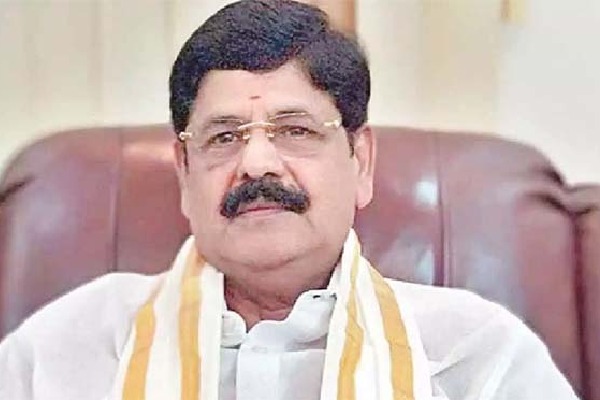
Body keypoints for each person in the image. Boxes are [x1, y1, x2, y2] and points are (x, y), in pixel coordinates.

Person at [0, 1, 580, 399]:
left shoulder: (479, 359)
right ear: (184, 173)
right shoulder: (63, 350)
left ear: (361, 161)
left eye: (296, 130)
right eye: (223, 137)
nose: (257, 163)